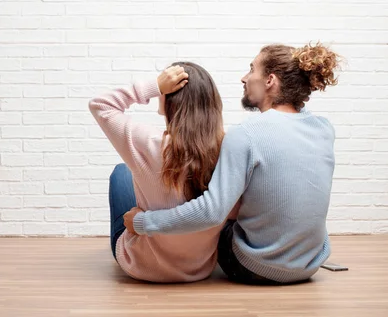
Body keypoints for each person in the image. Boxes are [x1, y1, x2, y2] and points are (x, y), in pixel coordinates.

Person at [123, 42, 342, 285]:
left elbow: (211, 213)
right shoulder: (324, 129)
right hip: (309, 265)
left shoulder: (246, 134)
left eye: (251, 69)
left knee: (127, 179)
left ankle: (160, 257)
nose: (244, 78)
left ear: (270, 80)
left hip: (255, 267)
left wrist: (144, 223)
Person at [89, 62, 238, 282]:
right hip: (198, 268)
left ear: (169, 97)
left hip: (140, 265)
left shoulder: (151, 143)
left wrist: (154, 86)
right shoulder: (228, 148)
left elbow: (100, 105)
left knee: (121, 172)